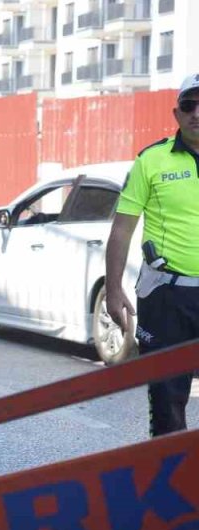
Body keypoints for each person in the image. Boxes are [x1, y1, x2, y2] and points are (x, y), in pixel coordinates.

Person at [105, 73, 199, 437]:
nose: (196, 113)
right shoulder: (151, 160)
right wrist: (113, 290)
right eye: (189, 105)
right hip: (166, 297)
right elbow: (122, 229)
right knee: (167, 403)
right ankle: (169, 486)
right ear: (176, 114)